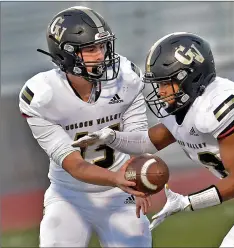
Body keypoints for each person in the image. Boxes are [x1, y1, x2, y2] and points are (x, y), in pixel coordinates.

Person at [72, 32, 234, 247]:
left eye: (165, 83)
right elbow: (147, 142)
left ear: (189, 78)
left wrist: (187, 202)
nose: (160, 92)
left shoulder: (216, 103)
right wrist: (111, 137)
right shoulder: (185, 110)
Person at [19, 6, 152, 247]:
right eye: (91, 49)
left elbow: (136, 140)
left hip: (120, 194)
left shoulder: (126, 78)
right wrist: (117, 179)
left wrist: (138, 176)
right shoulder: (43, 98)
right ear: (66, 54)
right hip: (69, 196)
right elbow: (75, 165)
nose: (101, 55)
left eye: (102, 46)